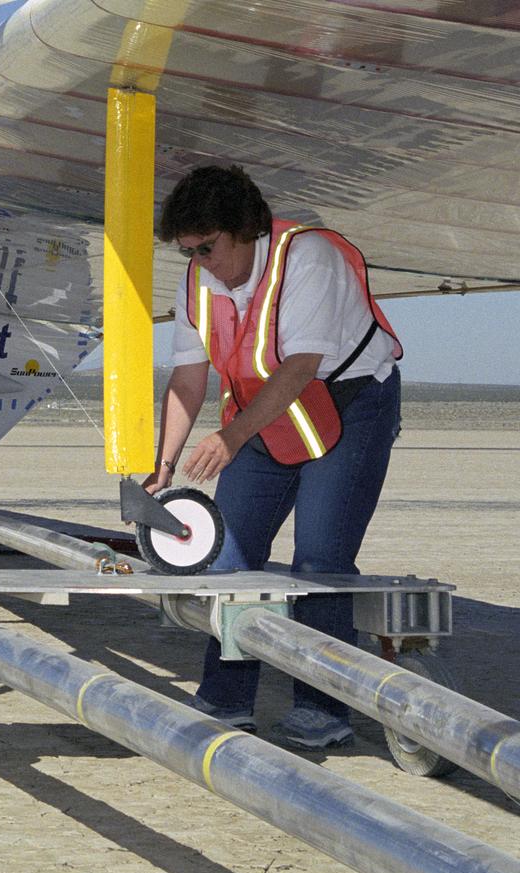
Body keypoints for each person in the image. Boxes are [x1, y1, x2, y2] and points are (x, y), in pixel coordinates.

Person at [146, 165, 402, 750]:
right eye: (189, 251)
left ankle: (322, 706)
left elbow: (300, 367)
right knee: (229, 558)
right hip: (266, 411)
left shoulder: (306, 257)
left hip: (350, 405)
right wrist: (163, 464)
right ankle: (227, 698)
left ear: (244, 230)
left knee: (319, 560)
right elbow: (189, 377)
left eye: (207, 247)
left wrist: (231, 439)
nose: (200, 261)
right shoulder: (199, 280)